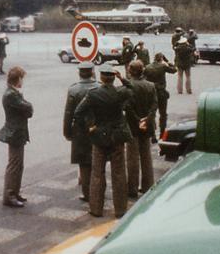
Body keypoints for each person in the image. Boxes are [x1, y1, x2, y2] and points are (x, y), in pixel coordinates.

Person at [74, 64, 133, 218]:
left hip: (99, 136)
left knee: (97, 173)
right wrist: (122, 78)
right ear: (113, 78)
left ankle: (96, 208)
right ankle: (120, 209)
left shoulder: (93, 94)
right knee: (119, 173)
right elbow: (132, 88)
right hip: (117, 136)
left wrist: (89, 127)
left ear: (101, 77)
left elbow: (78, 112)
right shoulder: (120, 92)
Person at [0, 66, 33, 208]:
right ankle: (9, 195)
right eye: (22, 78)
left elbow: (27, 110)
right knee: (14, 165)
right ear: (17, 79)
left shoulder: (14, 93)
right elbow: (28, 109)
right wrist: (28, 106)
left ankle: (15, 193)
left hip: (18, 132)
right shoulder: (11, 95)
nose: (23, 81)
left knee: (18, 165)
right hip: (15, 132)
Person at [63, 61, 98, 202]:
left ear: (79, 73)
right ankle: (98, 190)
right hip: (97, 129)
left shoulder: (73, 90)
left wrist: (67, 132)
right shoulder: (99, 87)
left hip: (80, 131)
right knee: (98, 161)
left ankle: (87, 193)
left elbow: (68, 113)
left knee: (84, 163)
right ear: (92, 72)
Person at [124, 60, 157, 199]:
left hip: (132, 126)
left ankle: (132, 188)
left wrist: (138, 120)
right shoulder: (151, 85)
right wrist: (147, 119)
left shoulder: (128, 86)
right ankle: (147, 185)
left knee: (132, 158)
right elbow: (154, 106)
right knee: (146, 156)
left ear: (130, 71)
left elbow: (128, 107)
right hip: (147, 125)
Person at [144, 53, 177, 139]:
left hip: (151, 93)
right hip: (161, 92)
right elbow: (174, 70)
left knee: (152, 114)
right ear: (161, 58)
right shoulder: (163, 66)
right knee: (163, 114)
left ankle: (153, 135)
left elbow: (143, 77)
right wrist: (168, 62)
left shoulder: (147, 67)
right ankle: (162, 134)